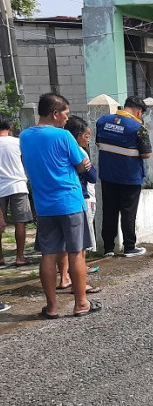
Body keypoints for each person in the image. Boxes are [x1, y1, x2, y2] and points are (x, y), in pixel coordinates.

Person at [19, 92, 101, 318]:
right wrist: (77, 166)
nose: (67, 118)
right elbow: (83, 164)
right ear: (55, 114)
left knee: (48, 255)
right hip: (70, 202)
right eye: (65, 114)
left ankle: (52, 307)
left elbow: (26, 161)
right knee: (76, 253)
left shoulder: (25, 136)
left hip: (44, 205)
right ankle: (81, 303)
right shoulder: (64, 137)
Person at [96, 96, 152, 257]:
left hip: (108, 175)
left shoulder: (102, 121)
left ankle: (108, 248)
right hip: (130, 177)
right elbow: (147, 153)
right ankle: (129, 247)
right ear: (138, 112)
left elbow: (99, 143)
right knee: (128, 212)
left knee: (109, 211)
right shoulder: (138, 127)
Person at [56, 116, 101, 295]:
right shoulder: (79, 152)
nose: (88, 140)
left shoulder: (59, 149)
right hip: (81, 198)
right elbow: (92, 177)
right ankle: (80, 285)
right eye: (86, 136)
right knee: (79, 247)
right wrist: (87, 167)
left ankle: (64, 278)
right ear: (77, 135)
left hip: (57, 202)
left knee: (63, 245)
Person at [0, 114, 33, 267]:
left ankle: (0, 257)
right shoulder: (18, 142)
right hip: (17, 185)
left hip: (0, 186)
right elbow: (24, 160)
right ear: (11, 127)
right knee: (20, 222)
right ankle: (20, 257)